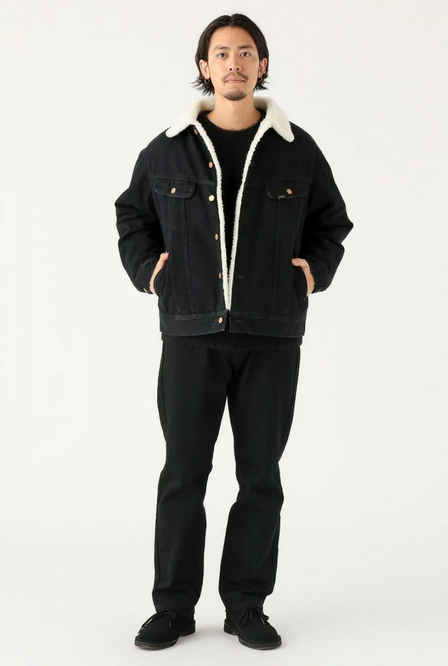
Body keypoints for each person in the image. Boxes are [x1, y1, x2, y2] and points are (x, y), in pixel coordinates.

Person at [114, 12, 354, 651]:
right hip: (190, 333)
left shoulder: (297, 149)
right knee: (183, 475)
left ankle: (247, 606)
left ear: (263, 65)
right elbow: (133, 216)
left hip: (271, 334)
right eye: (221, 53)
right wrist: (150, 272)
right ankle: (173, 608)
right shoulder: (168, 148)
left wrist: (313, 272)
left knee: (260, 477)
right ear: (204, 67)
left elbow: (332, 222)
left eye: (246, 52)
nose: (234, 63)